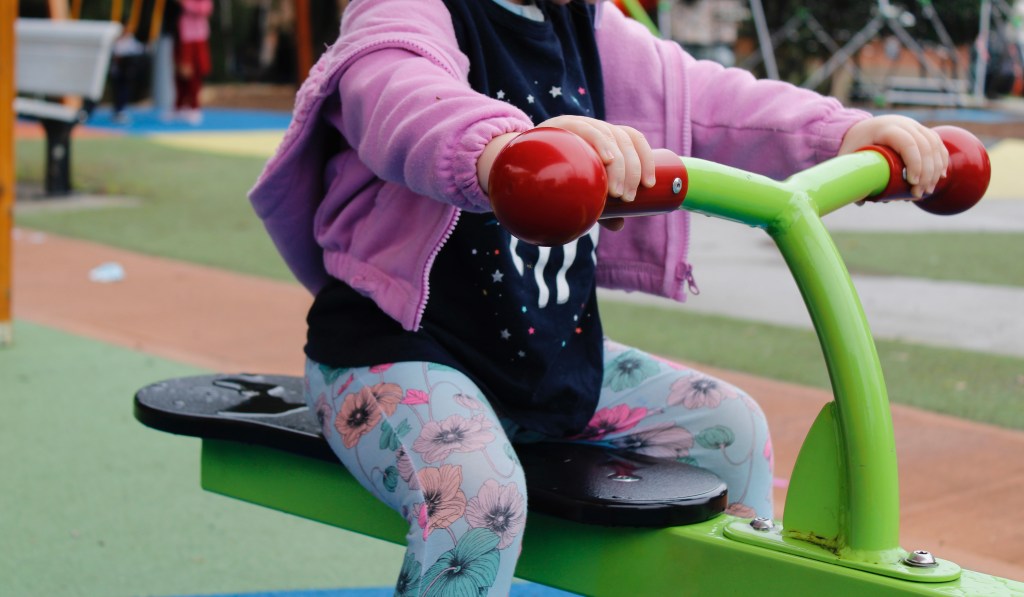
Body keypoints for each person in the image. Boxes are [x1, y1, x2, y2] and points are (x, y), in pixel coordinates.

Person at [248, 1, 948, 594]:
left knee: (730, 429)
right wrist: (504, 149)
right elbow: (395, 92)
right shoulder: (409, 10)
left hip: (550, 365)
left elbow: (709, 104)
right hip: (392, 354)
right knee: (478, 498)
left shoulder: (584, 24)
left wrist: (841, 132)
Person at [173, 0, 214, 125]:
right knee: (180, 73)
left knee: (194, 74)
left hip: (197, 37)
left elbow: (206, 8)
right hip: (182, 36)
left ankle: (194, 107)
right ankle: (179, 106)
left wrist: (186, 4)